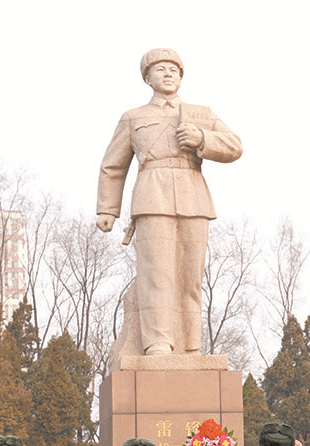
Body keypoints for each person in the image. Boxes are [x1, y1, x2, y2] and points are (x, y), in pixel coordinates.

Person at [96, 48, 243, 356]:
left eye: (174, 69)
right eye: (160, 69)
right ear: (147, 78)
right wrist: (108, 209)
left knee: (191, 277)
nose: (168, 74)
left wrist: (203, 138)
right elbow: (113, 166)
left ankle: (191, 344)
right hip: (152, 194)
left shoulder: (201, 114)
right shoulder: (133, 117)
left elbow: (234, 146)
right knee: (157, 274)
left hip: (193, 195)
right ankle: (158, 342)